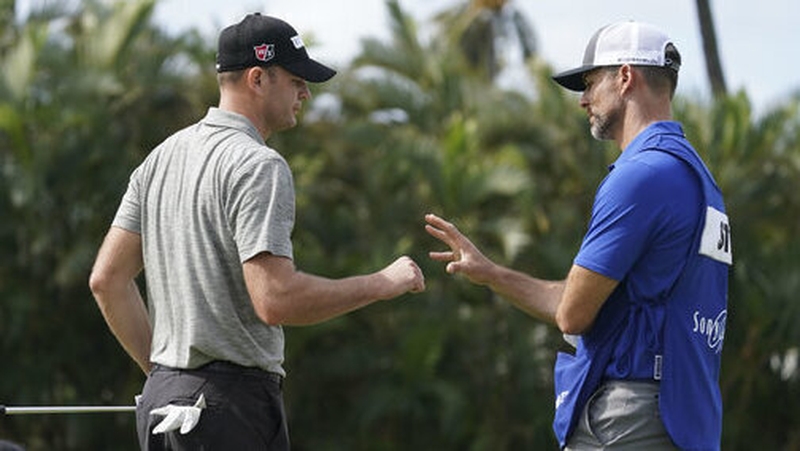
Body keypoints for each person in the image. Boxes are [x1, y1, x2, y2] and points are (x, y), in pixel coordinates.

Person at [89, 13, 425, 451]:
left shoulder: (160, 158)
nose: (306, 92)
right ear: (258, 78)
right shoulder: (258, 164)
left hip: (164, 407)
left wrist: (165, 377)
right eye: (295, 79)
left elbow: (107, 280)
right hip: (230, 410)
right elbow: (275, 298)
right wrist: (382, 283)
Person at [425, 21, 730, 450]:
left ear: (625, 78)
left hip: (630, 417)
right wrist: (491, 272)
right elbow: (584, 299)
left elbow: (572, 315)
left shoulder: (639, 176)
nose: (583, 100)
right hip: (686, 413)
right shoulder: (698, 178)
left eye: (589, 83)